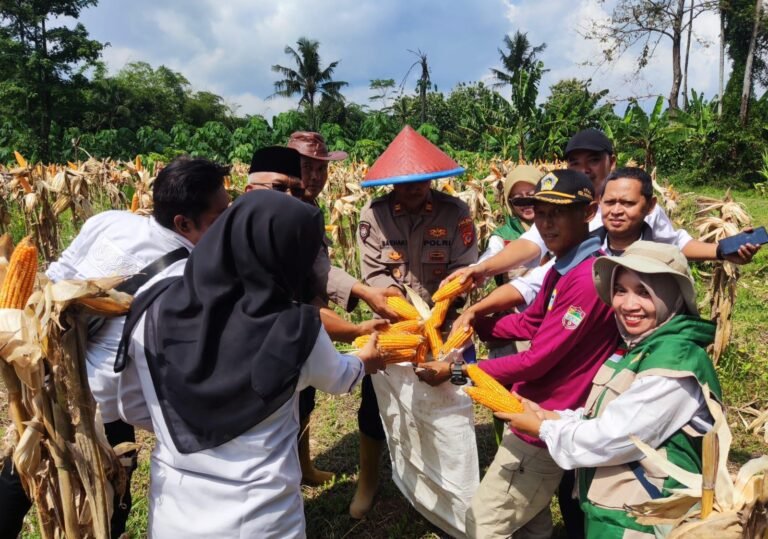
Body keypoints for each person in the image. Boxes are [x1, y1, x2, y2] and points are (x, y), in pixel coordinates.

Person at [114, 191, 386, 538]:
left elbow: (132, 405)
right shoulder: (296, 327)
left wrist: (192, 427)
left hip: (175, 511)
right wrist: (366, 360)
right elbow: (340, 377)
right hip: (263, 517)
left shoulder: (153, 306)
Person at [0, 157, 230, 538]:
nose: (229, 218)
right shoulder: (189, 273)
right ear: (183, 223)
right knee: (111, 494)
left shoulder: (109, 220)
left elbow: (57, 274)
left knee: (22, 471)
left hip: (41, 375)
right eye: (221, 213)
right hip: (103, 403)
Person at [416, 169, 620, 539]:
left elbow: (535, 359)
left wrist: (457, 370)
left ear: (589, 213)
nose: (545, 224)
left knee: (482, 525)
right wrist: (473, 323)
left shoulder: (586, 279)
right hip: (527, 411)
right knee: (530, 521)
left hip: (543, 422)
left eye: (557, 213)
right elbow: (529, 323)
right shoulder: (562, 267)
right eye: (539, 213)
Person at [496, 241, 722, 539]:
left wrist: (543, 430)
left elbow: (617, 437)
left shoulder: (674, 362)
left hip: (646, 522)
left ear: (672, 296)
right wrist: (552, 417)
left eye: (644, 292)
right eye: (620, 290)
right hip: (621, 513)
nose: (628, 305)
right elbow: (608, 415)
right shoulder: (640, 348)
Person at [352, 125, 478, 520]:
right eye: (405, 183)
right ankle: (368, 480)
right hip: (396, 326)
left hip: (449, 324)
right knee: (374, 407)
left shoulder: (455, 213)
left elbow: (464, 266)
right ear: (392, 184)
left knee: (458, 393)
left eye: (422, 181)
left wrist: (439, 309)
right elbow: (374, 276)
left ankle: (454, 475)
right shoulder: (372, 215)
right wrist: (410, 314)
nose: (414, 188)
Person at [246, 145, 388, 485]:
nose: (313, 178)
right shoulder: (258, 224)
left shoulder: (307, 211)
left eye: (320, 171)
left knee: (302, 398)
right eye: (305, 170)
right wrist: (355, 325)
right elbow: (300, 297)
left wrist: (362, 295)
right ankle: (286, 474)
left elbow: (317, 271)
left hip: (297, 324)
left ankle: (302, 466)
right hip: (270, 334)